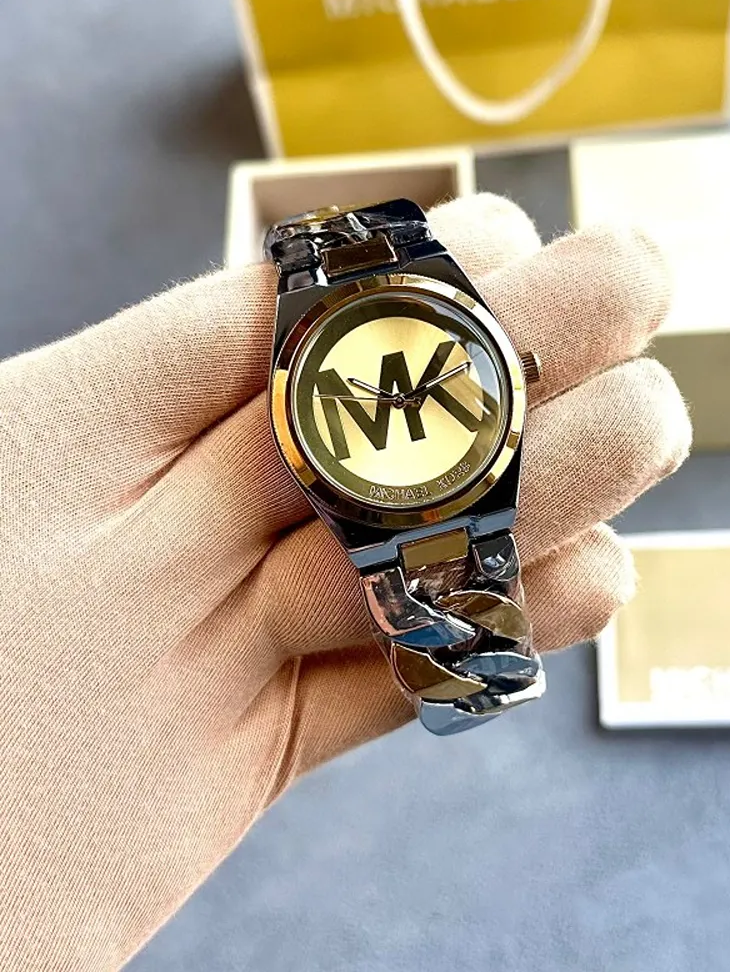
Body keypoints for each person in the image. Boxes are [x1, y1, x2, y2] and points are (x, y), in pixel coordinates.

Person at [0, 194, 691, 969]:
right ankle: (471, 678)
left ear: (516, 370)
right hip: (390, 490)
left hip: (444, 482)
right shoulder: (317, 420)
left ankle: (476, 676)